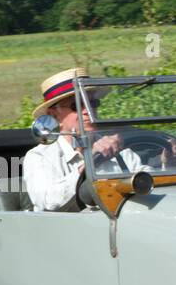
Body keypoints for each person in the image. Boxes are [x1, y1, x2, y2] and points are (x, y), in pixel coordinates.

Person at [23, 68, 143, 212]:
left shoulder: (114, 147)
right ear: (54, 116)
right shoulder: (39, 157)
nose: (88, 111)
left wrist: (166, 163)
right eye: (77, 105)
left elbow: (146, 180)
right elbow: (48, 200)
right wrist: (89, 163)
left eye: (92, 103)